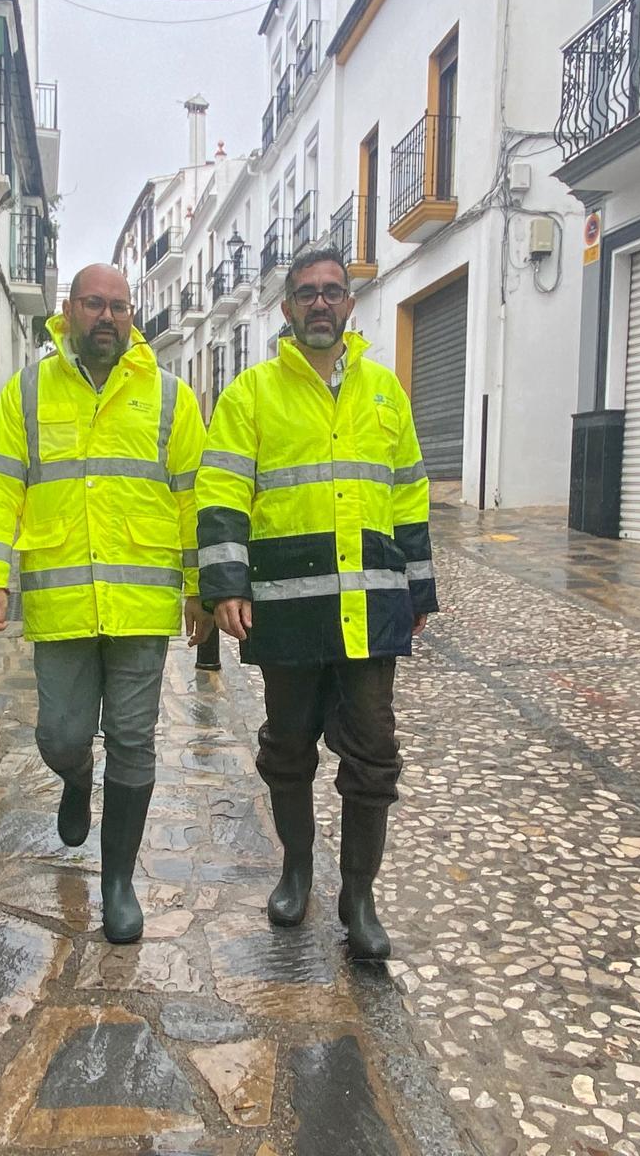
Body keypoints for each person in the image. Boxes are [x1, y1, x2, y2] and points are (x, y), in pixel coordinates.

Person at [195, 247, 437, 960]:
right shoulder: (251, 395)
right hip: (291, 609)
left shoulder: (386, 393)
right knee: (288, 746)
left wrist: (417, 587)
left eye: (333, 291)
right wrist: (226, 586)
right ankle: (297, 870)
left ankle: (358, 897)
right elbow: (222, 494)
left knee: (374, 754)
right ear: (287, 310)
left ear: (351, 304)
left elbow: (411, 493)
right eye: (308, 294)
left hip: (370, 608)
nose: (322, 304)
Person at [0, 263, 212, 944]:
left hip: (141, 602)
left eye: (120, 307)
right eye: (95, 305)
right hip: (64, 602)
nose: (108, 317)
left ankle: (119, 883)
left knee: (134, 741)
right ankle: (75, 781)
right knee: (61, 736)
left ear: (133, 316)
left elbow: (195, 496)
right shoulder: (28, 392)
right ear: (69, 310)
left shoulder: (169, 397)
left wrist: (201, 588)